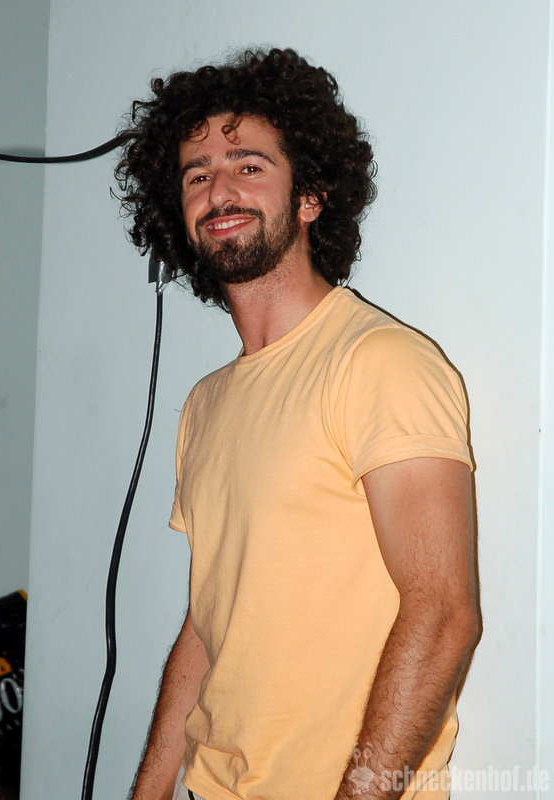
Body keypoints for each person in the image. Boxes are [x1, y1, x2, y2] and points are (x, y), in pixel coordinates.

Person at [115, 48, 479, 800]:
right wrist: (149, 789)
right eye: (196, 175)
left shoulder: (377, 361)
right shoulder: (206, 404)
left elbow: (443, 613)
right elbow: (208, 623)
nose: (219, 190)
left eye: (248, 166)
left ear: (311, 196)